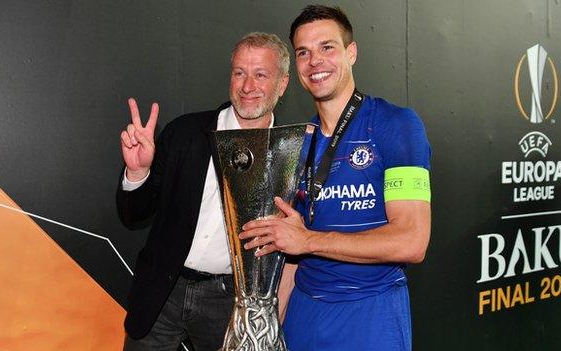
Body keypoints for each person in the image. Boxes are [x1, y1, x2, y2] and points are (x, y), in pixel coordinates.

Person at [239, 5, 431, 351]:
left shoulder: (396, 125)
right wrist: (268, 329)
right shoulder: (297, 143)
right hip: (304, 312)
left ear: (351, 53)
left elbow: (411, 241)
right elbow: (290, 250)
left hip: (370, 312)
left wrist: (308, 241)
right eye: (303, 52)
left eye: (327, 47)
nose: (315, 61)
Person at [117, 32, 290, 351]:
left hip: (229, 300)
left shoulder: (289, 154)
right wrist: (138, 172)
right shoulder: (185, 133)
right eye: (239, 73)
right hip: (163, 292)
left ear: (282, 84)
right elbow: (134, 214)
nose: (247, 86)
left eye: (260, 74)